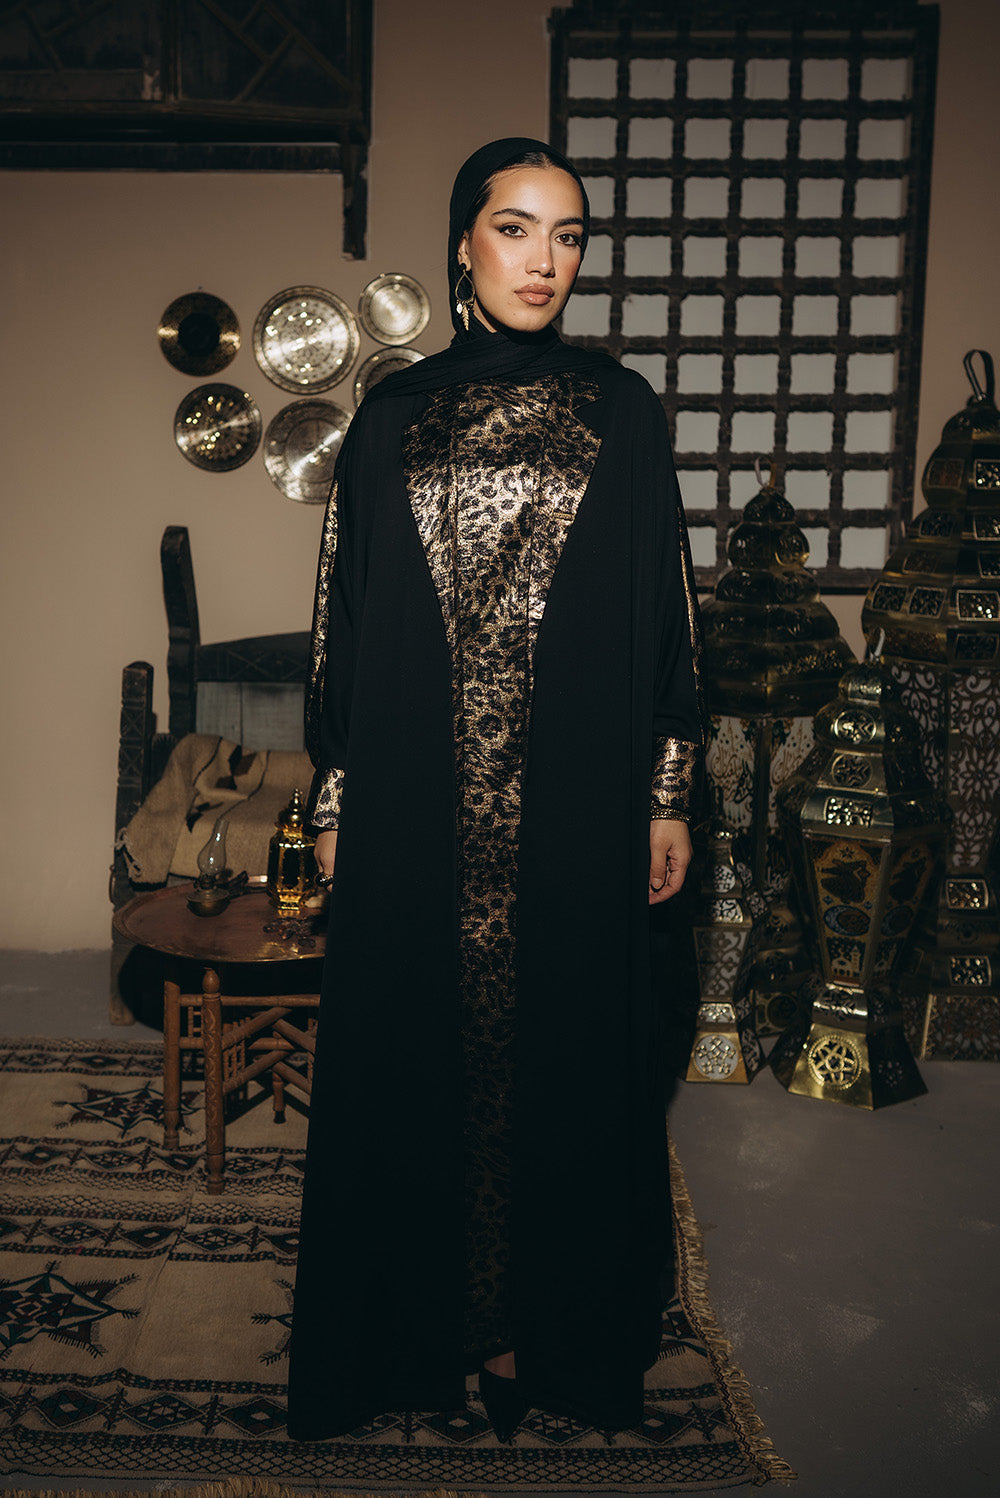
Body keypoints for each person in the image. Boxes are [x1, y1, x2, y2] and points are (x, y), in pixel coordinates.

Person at [287, 137, 705, 1444]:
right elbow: (342, 626)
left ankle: (543, 1330)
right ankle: (414, 1330)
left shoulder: (622, 412)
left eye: (568, 236)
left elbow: (667, 622)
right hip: (417, 808)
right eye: (516, 228)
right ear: (463, 242)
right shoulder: (393, 419)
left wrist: (667, 790)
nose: (544, 260)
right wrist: (338, 800)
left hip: (576, 810)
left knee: (567, 1062)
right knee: (415, 1059)